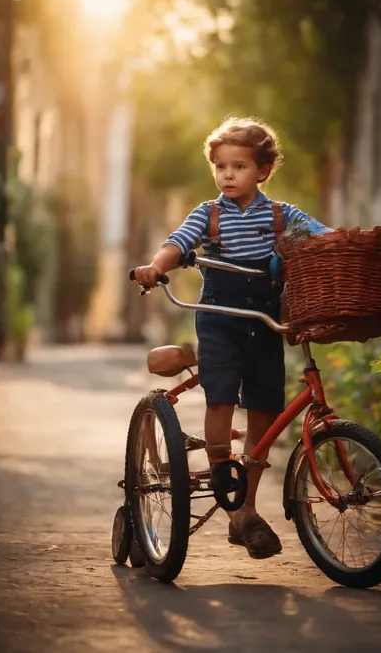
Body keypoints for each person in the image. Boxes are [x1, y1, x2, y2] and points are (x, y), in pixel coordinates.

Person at [135, 116, 331, 559]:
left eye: (239, 166)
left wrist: (348, 247)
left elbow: (324, 239)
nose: (227, 175)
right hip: (221, 318)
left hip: (264, 319)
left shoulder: (281, 215)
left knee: (264, 401)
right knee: (220, 396)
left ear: (262, 171)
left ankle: (245, 506)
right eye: (221, 167)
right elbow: (178, 242)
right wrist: (156, 266)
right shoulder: (210, 214)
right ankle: (224, 474)